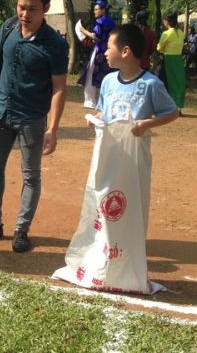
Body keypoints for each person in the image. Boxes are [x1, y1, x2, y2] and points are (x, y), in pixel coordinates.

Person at [52, 24, 179, 294]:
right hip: (107, 155)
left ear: (125, 51)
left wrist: (145, 124)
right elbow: (102, 112)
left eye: (108, 47)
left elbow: (172, 112)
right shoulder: (108, 82)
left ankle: (125, 264)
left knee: (129, 206)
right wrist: (95, 120)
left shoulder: (150, 84)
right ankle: (100, 261)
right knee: (101, 203)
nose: (105, 52)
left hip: (133, 160)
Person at [0, 0, 69, 253]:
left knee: (30, 175)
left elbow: (60, 88)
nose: (25, 14)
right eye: (21, 7)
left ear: (45, 8)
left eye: (32, 9)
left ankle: (21, 229)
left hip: (31, 119)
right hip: (1, 113)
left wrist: (53, 128)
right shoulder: (10, 26)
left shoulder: (55, 45)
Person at [78, 0, 116, 108]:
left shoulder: (100, 21)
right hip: (110, 50)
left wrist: (83, 31)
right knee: (109, 75)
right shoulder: (110, 21)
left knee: (90, 74)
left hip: (99, 51)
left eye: (96, 9)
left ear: (103, 10)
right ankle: (108, 101)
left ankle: (90, 101)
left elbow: (96, 36)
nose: (94, 12)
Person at [157, 11, 186, 113]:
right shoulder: (181, 33)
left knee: (167, 82)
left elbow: (159, 48)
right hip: (178, 59)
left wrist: (164, 50)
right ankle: (178, 107)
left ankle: (167, 107)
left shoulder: (166, 33)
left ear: (167, 21)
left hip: (168, 59)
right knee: (179, 82)